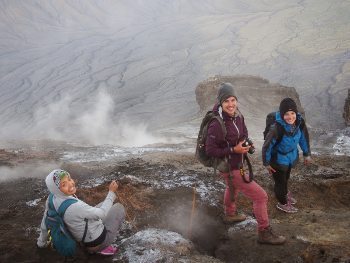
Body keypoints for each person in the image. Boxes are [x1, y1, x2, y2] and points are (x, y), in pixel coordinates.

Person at [206, 82, 286, 245]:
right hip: (229, 167)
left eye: (233, 100)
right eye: (227, 101)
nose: (231, 104)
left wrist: (246, 143)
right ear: (221, 102)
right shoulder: (216, 123)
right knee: (261, 197)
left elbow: (243, 134)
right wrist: (234, 150)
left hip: (237, 164)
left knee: (232, 187)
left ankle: (230, 213)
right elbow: (210, 150)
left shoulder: (238, 116)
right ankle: (264, 232)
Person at [37, 169, 125, 255]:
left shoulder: (51, 198)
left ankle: (95, 239)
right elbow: (102, 213)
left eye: (69, 179)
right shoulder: (75, 206)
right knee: (118, 208)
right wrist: (111, 192)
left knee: (104, 204)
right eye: (64, 185)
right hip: (94, 243)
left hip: (80, 235)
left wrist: (41, 242)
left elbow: (45, 222)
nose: (71, 184)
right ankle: (101, 248)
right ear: (56, 189)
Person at [262, 98, 311, 213]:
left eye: (292, 113)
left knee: (286, 178)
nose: (290, 117)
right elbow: (267, 147)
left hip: (290, 157)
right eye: (286, 114)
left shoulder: (299, 123)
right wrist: (267, 163)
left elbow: (303, 139)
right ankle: (283, 203)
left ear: (296, 113)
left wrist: (306, 154)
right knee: (280, 182)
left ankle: (284, 195)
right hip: (277, 160)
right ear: (282, 114)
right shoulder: (276, 128)